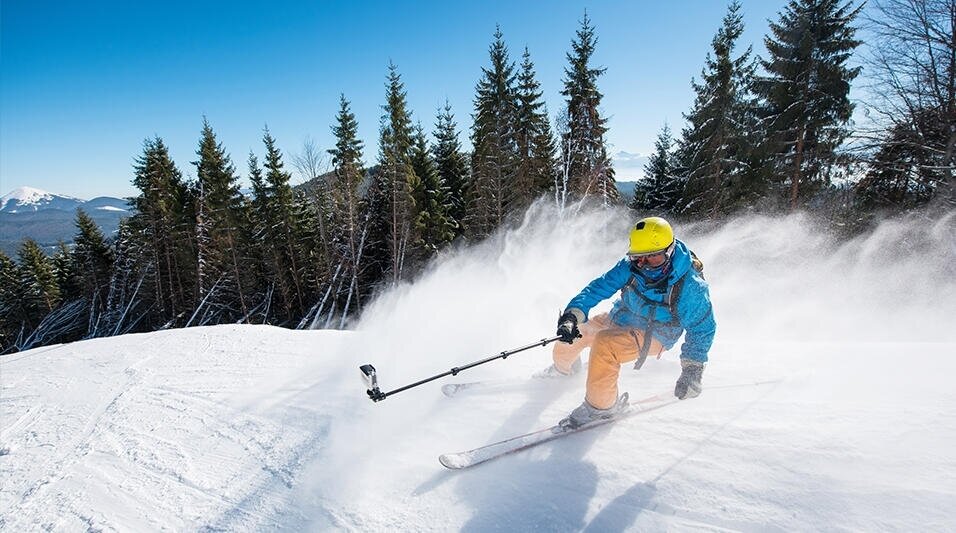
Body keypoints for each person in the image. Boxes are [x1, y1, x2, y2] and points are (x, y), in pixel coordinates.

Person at [540, 216, 716, 428]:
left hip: (657, 333)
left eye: (652, 257)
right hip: (622, 316)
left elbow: (703, 328)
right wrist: (572, 315)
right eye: (637, 257)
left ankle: (602, 408)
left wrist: (692, 371)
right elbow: (597, 288)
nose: (643, 264)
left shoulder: (689, 286)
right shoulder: (630, 267)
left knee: (605, 344)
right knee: (578, 332)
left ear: (668, 252)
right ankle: (563, 370)